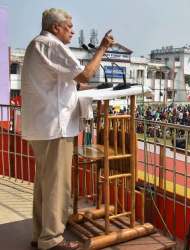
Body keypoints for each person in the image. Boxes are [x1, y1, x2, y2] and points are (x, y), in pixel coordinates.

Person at [21, 8, 114, 250]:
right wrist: (102, 48)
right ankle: (52, 240)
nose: (73, 31)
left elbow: (65, 84)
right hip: (55, 126)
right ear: (56, 28)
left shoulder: (35, 45)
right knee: (57, 185)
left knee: (44, 183)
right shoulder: (52, 45)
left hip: (41, 126)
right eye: (69, 27)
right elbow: (84, 74)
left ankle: (40, 234)